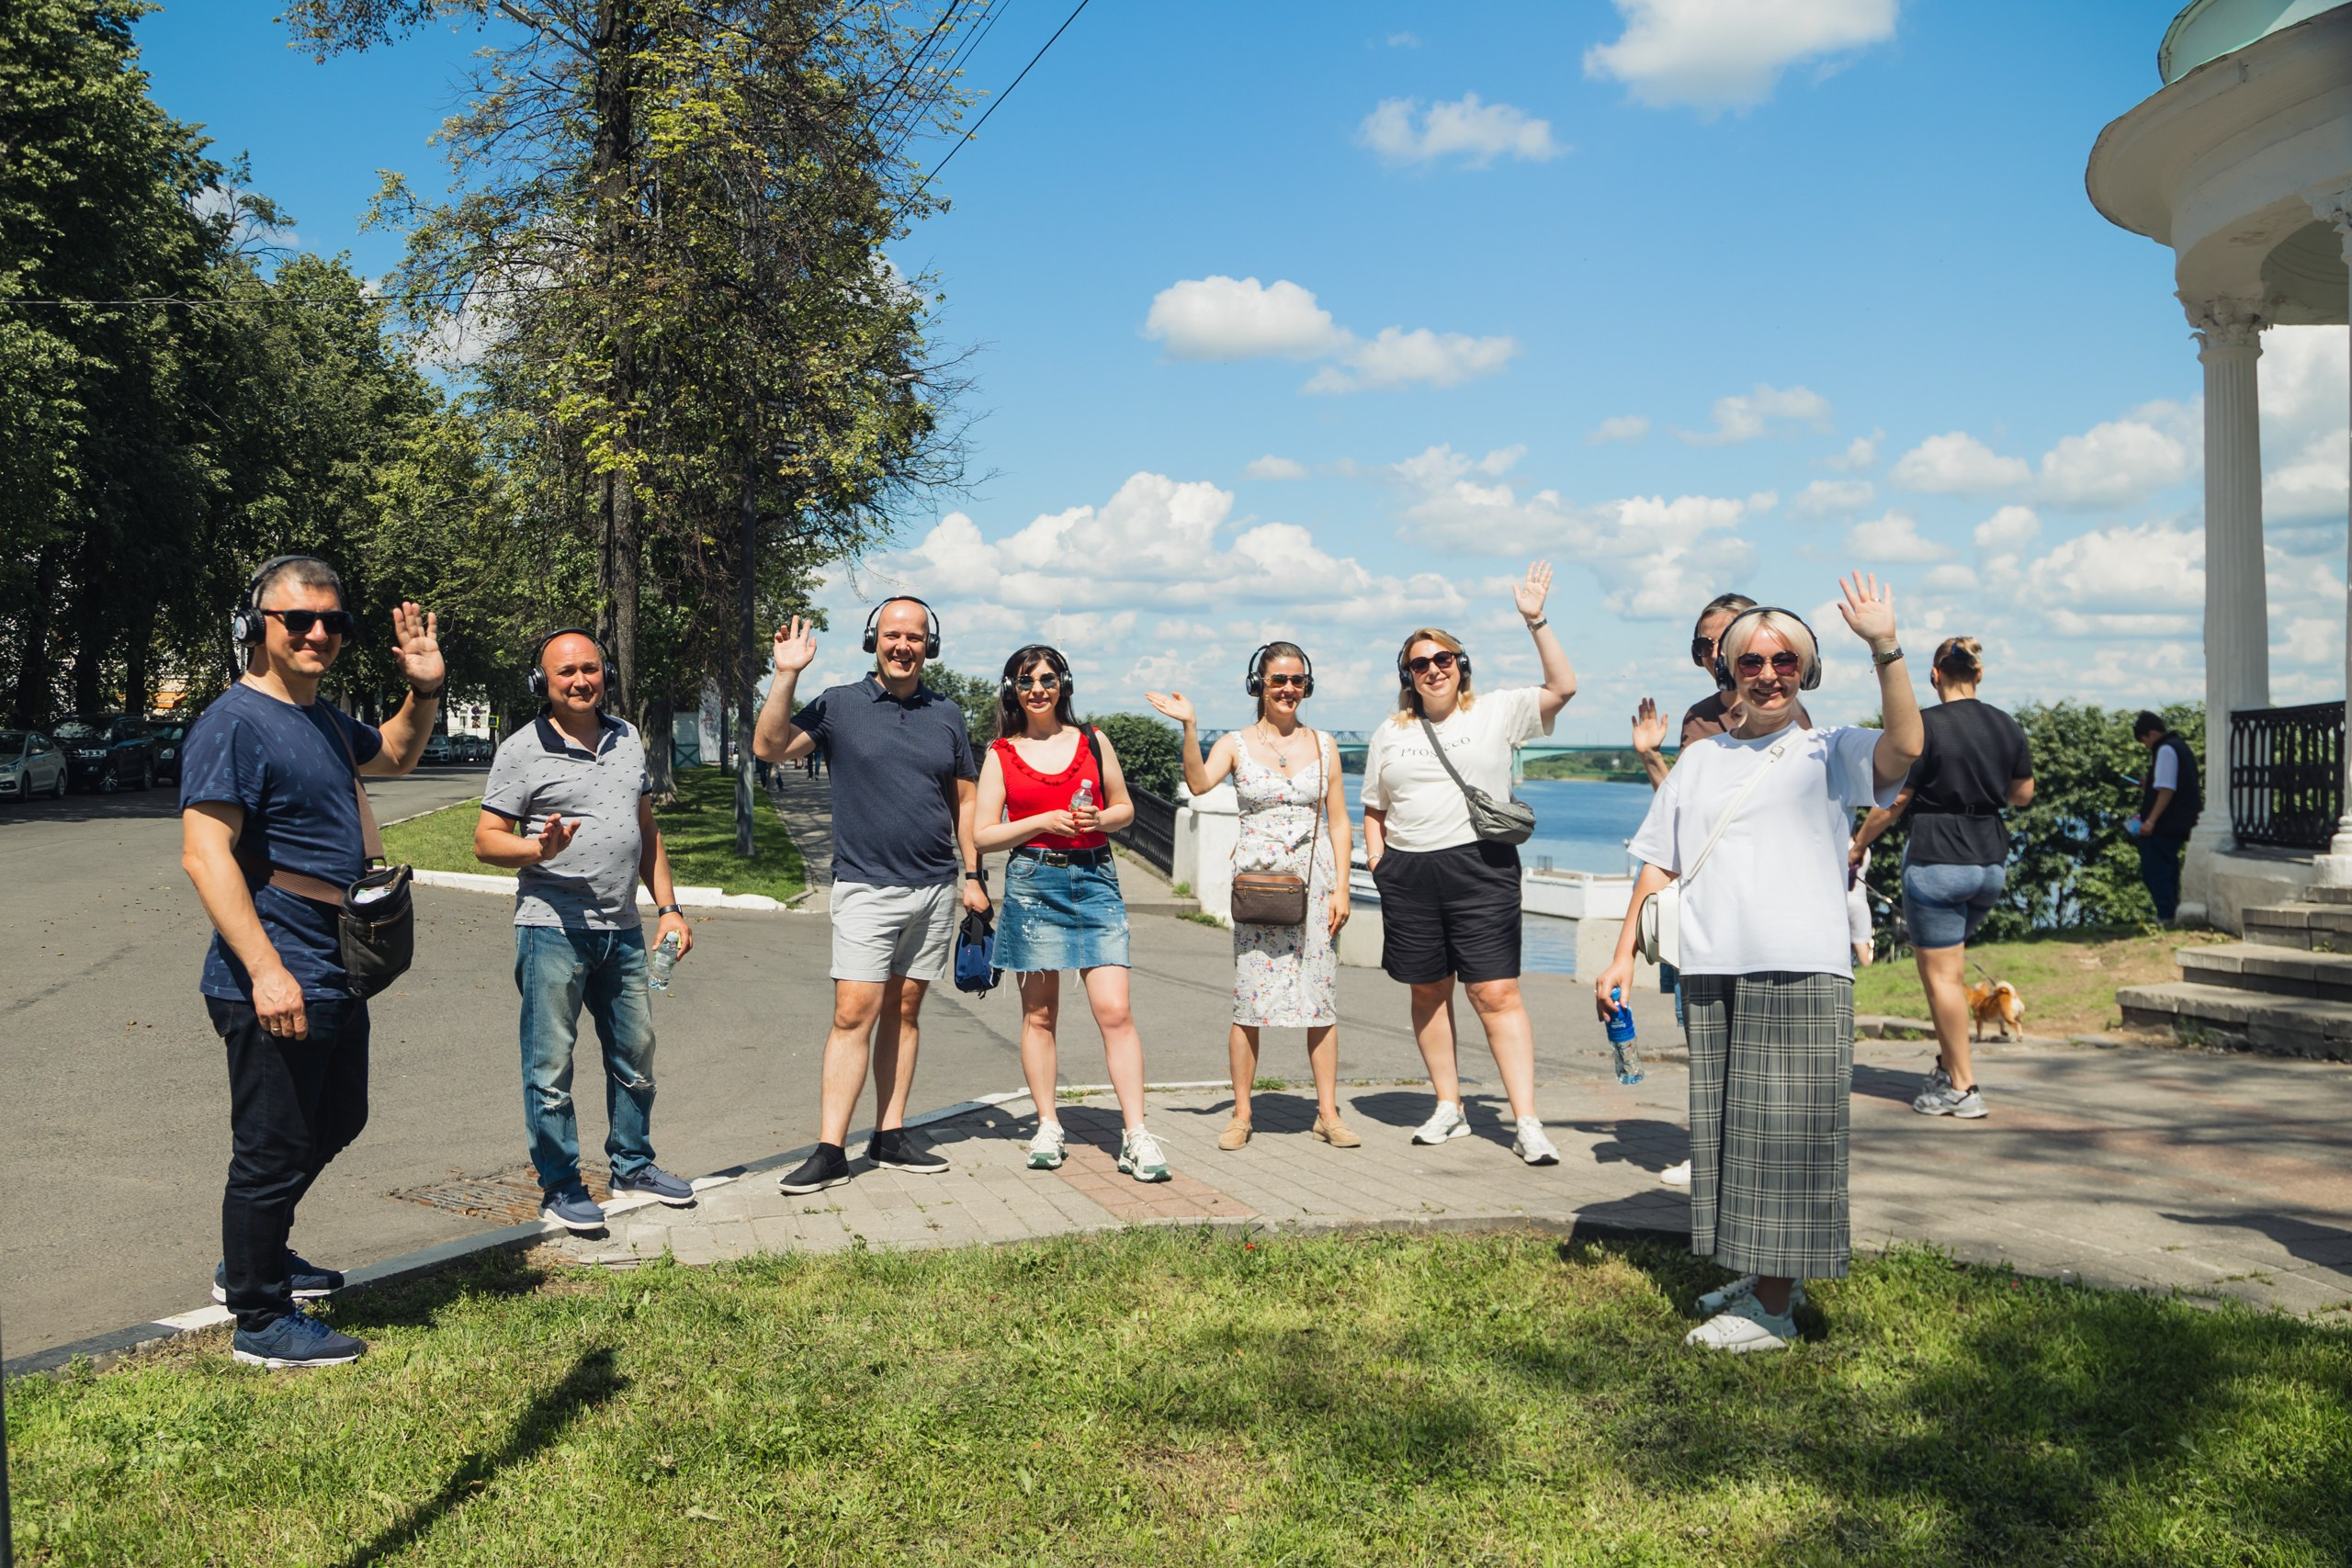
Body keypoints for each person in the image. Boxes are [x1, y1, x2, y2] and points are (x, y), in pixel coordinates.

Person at [1594, 574, 1922, 1352]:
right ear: (1728, 672)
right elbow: (1660, 863)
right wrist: (1620, 956)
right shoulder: (1702, 763)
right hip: (1713, 967)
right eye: (1751, 662)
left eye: (1785, 661)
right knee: (1734, 1132)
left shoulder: (1828, 750)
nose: (1768, 673)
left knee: (1787, 1134)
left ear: (1805, 671)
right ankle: (1768, 1271)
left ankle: (1772, 1308)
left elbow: (1906, 747)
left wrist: (1885, 647)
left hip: (1800, 965)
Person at [178, 555, 444, 1368]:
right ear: (255, 627)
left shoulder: (324, 719)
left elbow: (395, 755)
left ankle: (254, 1259)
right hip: (275, 970)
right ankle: (259, 1317)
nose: (319, 633)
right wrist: (265, 969)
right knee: (271, 1146)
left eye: (334, 622)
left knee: (336, 1119)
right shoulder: (232, 722)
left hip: (334, 967)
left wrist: (425, 690)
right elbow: (205, 854)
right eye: (299, 619)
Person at [752, 599, 989, 1194]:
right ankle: (832, 1148)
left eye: (914, 636)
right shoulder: (839, 704)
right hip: (865, 886)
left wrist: (974, 873)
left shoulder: (948, 715)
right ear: (873, 640)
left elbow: (965, 800)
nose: (902, 645)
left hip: (934, 886)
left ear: (927, 645)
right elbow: (769, 747)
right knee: (853, 1012)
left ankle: (891, 1133)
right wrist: (787, 674)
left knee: (905, 1011)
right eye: (892, 635)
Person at [473, 628, 700, 1231]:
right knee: (550, 1066)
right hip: (551, 929)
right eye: (566, 672)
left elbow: (646, 829)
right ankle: (561, 1183)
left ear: (606, 675)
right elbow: (484, 840)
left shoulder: (627, 739)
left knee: (636, 1054)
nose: (580, 681)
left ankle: (632, 1162)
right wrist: (535, 848)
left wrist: (669, 908)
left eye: (590, 669)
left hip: (623, 929)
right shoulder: (521, 749)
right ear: (542, 683)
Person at [1362, 562, 1578, 1166]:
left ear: (1462, 665)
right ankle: (1449, 1106)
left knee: (1495, 991)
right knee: (1429, 990)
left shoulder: (1497, 712)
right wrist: (1380, 863)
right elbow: (1374, 806)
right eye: (1420, 663)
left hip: (1481, 867)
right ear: (1407, 675)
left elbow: (1563, 687)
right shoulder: (1389, 731)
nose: (1434, 669)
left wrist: (1536, 619)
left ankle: (1527, 1120)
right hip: (1409, 871)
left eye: (1444, 659)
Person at [1630, 591, 1815, 1190]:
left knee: (1762, 1042)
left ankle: (1753, 1155)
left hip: (1764, 907)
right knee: (1701, 1026)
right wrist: (1653, 760)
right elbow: (1680, 813)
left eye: (1722, 637)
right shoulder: (1699, 716)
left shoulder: (1790, 714)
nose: (1713, 650)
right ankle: (1710, 1146)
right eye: (1703, 643)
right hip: (1700, 902)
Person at [1148, 641, 1358, 1151]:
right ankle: (1242, 1113)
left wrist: (1344, 887)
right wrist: (1190, 727)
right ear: (1258, 686)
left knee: (1320, 1000)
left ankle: (1327, 1113)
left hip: (1314, 886)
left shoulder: (1325, 745)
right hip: (1259, 889)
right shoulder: (1236, 743)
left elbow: (1339, 820)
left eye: (1297, 680)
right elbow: (1198, 785)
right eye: (1278, 680)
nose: (1289, 689)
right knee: (1249, 1001)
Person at [977, 646, 1170, 1182]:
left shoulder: (1091, 739)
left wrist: (1098, 819)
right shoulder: (1001, 752)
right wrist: (1042, 819)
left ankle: (1136, 1134)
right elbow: (983, 834)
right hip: (1034, 882)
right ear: (1011, 690)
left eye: (1047, 678)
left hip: (1094, 880)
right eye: (1025, 681)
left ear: (1063, 682)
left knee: (1115, 1011)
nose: (1038, 689)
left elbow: (1124, 808)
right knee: (1039, 1014)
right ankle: (1047, 1125)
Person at [1850, 637, 2034, 1120]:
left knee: (1943, 982)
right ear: (1978, 674)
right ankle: (1949, 1064)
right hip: (1989, 863)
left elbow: (1896, 801)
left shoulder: (1925, 727)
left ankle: (1963, 1088)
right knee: (1950, 973)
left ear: (1935, 675)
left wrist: (1858, 844)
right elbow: (2024, 794)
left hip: (1936, 859)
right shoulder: (2006, 724)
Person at [2132, 710, 2200, 923]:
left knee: (2156, 867)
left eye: (2144, 741)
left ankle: (2166, 914)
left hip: (2166, 823)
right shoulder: (2179, 746)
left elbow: (2167, 788)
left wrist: (2150, 821)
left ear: (2152, 734)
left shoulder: (2165, 750)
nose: (2146, 746)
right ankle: (2169, 912)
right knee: (2167, 865)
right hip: (2181, 819)